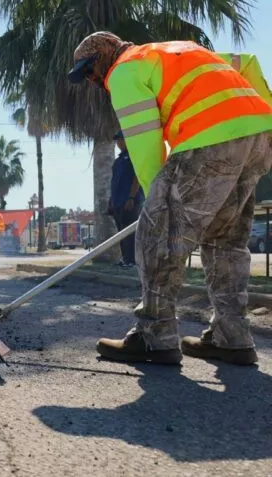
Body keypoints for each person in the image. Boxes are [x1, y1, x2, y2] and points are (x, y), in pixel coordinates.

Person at [68, 31, 272, 365]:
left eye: (89, 70)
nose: (92, 80)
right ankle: (232, 336)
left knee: (156, 235)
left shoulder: (124, 69)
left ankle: (154, 335)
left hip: (210, 137)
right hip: (257, 138)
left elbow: (145, 144)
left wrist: (156, 205)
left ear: (106, 53)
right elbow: (248, 63)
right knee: (226, 239)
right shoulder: (177, 51)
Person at [108, 130, 144, 267]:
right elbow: (114, 182)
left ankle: (134, 261)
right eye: (117, 140)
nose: (119, 143)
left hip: (131, 201)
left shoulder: (134, 157)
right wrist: (111, 200)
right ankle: (126, 259)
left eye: (121, 139)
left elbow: (137, 178)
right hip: (117, 202)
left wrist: (131, 197)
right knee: (121, 233)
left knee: (131, 233)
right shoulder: (118, 161)